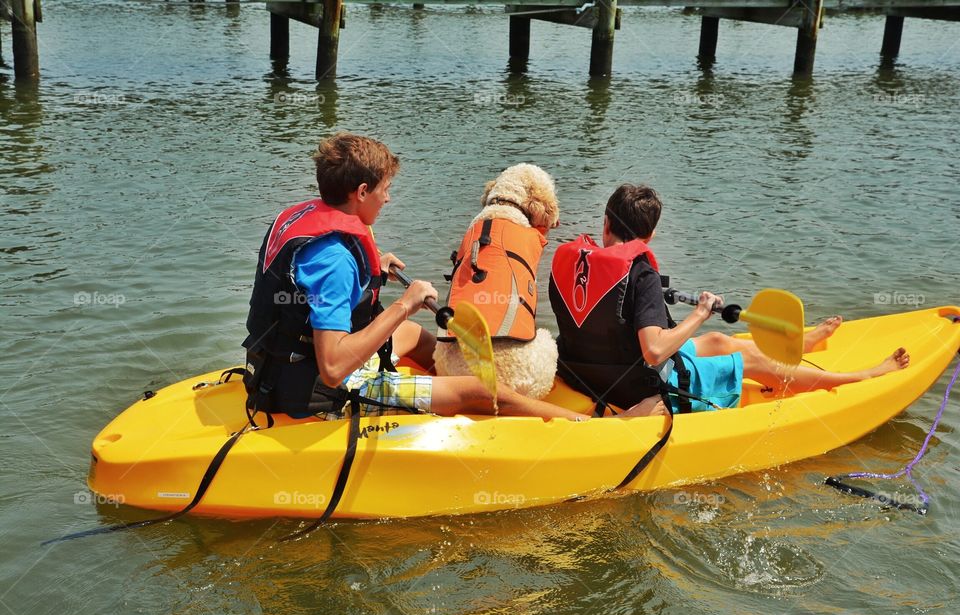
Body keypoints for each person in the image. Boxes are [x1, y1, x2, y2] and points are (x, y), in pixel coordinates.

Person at [242, 132, 665, 422]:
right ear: (362, 192)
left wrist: (374, 269)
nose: (389, 197)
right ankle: (598, 424)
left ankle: (443, 379)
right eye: (385, 188)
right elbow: (334, 368)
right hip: (321, 391)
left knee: (410, 335)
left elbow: (306, 284)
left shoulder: (307, 224)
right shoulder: (334, 259)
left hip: (281, 368)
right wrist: (405, 304)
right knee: (482, 391)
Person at [548, 183, 910, 415]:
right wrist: (700, 313)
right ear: (651, 235)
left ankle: (803, 344)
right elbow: (654, 352)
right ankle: (859, 377)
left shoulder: (570, 261)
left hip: (584, 372)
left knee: (720, 341)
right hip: (636, 386)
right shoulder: (641, 275)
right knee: (749, 358)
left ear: (606, 224)